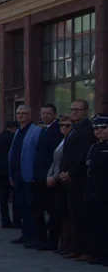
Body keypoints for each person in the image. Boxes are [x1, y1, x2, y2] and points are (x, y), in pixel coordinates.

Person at [58, 99, 94, 258]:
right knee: (73, 215)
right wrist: (62, 171)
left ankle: (85, 250)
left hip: (79, 180)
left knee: (82, 216)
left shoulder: (87, 129)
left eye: (78, 110)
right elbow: (66, 154)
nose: (74, 112)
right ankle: (77, 248)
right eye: (72, 109)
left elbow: (82, 156)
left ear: (85, 111)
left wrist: (70, 173)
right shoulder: (74, 128)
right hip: (68, 178)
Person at [28, 104, 62, 250]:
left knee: (51, 210)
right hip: (39, 177)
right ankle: (40, 238)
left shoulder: (57, 130)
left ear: (55, 114)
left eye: (48, 113)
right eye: (43, 113)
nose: (45, 116)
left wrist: (50, 176)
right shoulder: (43, 129)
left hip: (48, 177)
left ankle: (51, 241)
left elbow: (53, 157)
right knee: (37, 208)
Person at [9, 105, 41, 246]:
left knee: (31, 207)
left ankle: (34, 235)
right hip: (16, 175)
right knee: (20, 205)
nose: (20, 116)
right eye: (18, 113)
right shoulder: (18, 132)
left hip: (29, 176)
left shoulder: (36, 131)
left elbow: (37, 155)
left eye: (23, 113)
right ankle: (26, 233)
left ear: (29, 115)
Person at [82, 115, 108, 265]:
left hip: (106, 192)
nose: (100, 131)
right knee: (96, 225)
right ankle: (98, 253)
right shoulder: (95, 146)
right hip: (94, 192)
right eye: (96, 128)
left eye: (103, 128)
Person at [45, 115, 72, 252]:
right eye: (62, 125)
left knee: (59, 213)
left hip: (61, 180)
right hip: (54, 179)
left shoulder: (70, 141)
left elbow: (63, 163)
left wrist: (54, 177)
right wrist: (49, 176)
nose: (64, 128)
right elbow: (55, 161)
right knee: (54, 212)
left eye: (68, 125)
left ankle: (60, 244)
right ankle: (53, 242)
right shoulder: (62, 140)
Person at [0, 122, 17, 228]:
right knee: (15, 196)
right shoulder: (13, 137)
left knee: (3, 197)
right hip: (11, 170)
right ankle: (17, 220)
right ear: (14, 128)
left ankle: (5, 221)